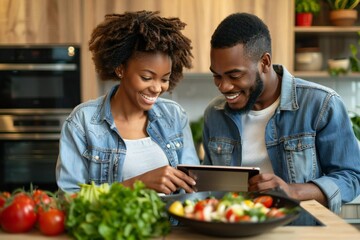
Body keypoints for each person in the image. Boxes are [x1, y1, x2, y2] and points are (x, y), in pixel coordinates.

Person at [202, 12, 360, 214]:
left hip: (299, 233)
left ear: (265, 63)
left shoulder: (321, 105)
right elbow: (208, 187)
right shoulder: (214, 114)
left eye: (235, 75)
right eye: (217, 76)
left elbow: (352, 176)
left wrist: (293, 191)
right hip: (234, 229)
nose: (223, 86)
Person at [56, 10, 199, 194]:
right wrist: (137, 184)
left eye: (164, 79)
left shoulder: (174, 116)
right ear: (120, 69)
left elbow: (193, 190)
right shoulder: (83, 122)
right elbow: (68, 199)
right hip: (112, 224)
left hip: (170, 224)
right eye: (147, 77)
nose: (157, 88)